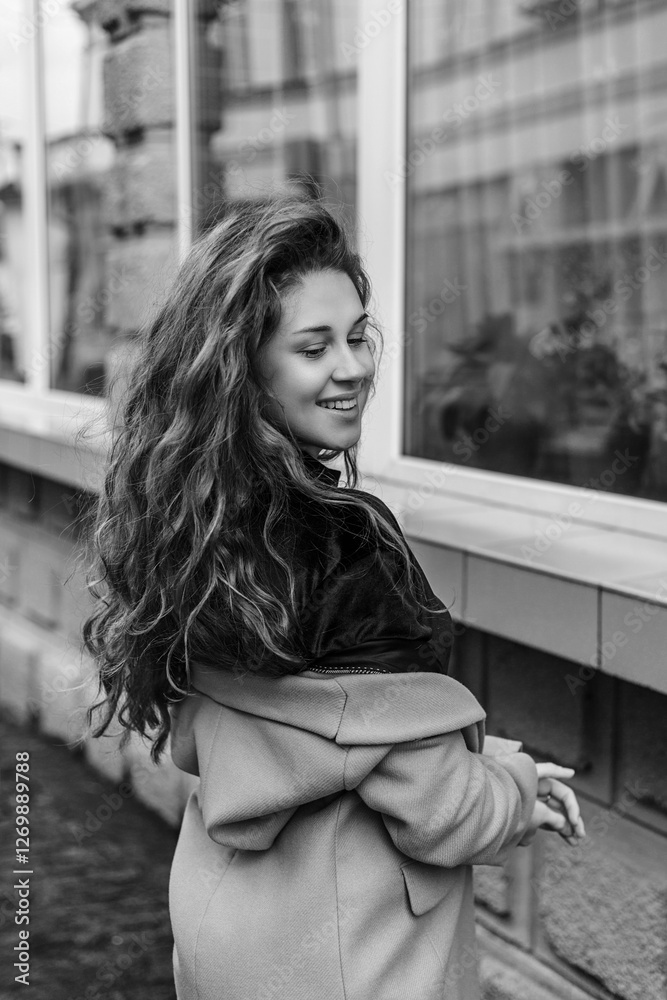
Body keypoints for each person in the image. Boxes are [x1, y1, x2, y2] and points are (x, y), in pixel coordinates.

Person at [82, 192, 585, 1000]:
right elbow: (439, 807)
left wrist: (484, 755)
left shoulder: (192, 526)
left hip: (227, 936)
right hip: (352, 961)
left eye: (356, 337)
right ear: (243, 368)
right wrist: (519, 795)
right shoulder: (341, 546)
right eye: (314, 348)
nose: (351, 367)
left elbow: (323, 735)